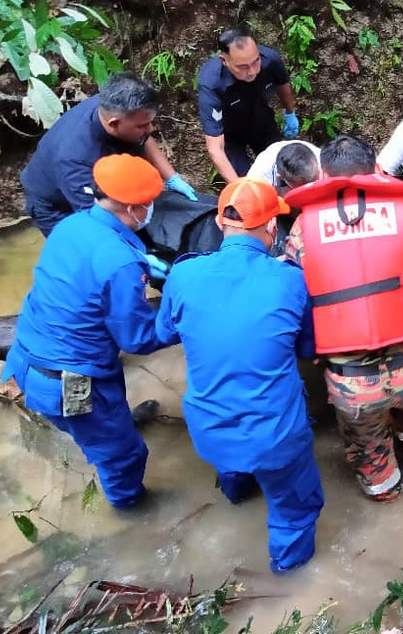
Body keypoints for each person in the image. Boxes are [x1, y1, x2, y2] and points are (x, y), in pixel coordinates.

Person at [155, 178, 323, 574]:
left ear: (220, 221)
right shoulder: (290, 279)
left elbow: (163, 333)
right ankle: (290, 579)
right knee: (295, 508)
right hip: (275, 436)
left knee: (233, 461)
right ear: (270, 229)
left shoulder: (182, 275)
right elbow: (308, 350)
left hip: (208, 433)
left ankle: (236, 491)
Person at [2, 154, 173, 508]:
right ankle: (130, 513)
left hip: (25, 362)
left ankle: (110, 428)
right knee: (123, 456)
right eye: (150, 203)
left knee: (102, 430)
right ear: (134, 206)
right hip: (71, 384)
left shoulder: (71, 226)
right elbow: (138, 339)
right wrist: (179, 319)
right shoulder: (120, 262)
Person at [284, 135, 403, 502]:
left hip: (353, 383)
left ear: (323, 174)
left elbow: (297, 294)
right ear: (374, 168)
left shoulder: (302, 227)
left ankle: (389, 500)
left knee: (370, 451)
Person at [20, 72, 197, 237]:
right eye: (143, 125)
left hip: (100, 167)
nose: (150, 129)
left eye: (150, 122)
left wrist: (171, 178)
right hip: (57, 207)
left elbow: (144, 138)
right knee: (91, 251)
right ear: (114, 124)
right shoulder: (76, 159)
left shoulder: (117, 105)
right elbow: (98, 217)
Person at [197, 27, 300, 183]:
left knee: (282, 173)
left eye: (256, 61)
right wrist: (239, 187)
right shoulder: (211, 82)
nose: (252, 71)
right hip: (230, 135)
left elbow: (283, 84)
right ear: (224, 61)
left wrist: (289, 112)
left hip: (262, 121)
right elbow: (215, 147)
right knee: (245, 181)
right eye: (243, 67)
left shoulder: (270, 59)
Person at [247, 139, 321, 190]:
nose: (309, 186)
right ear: (281, 177)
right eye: (304, 184)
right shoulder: (260, 177)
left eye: (314, 178)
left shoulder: (322, 159)